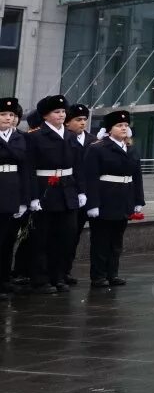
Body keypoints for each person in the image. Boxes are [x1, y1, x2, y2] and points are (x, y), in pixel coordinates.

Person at [25, 94, 85, 291]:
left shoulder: (70, 136)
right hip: (45, 190)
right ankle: (40, 279)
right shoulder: (35, 137)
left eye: (63, 111)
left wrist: (81, 191)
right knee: (42, 238)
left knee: (65, 236)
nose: (61, 115)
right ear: (45, 116)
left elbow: (78, 166)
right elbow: (29, 169)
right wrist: (33, 196)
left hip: (67, 190)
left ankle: (58, 276)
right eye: (56, 112)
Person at [83, 110, 144, 288]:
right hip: (105, 198)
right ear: (109, 129)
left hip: (124, 198)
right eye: (119, 125)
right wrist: (92, 204)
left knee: (116, 240)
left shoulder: (131, 149)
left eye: (126, 125)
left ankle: (112, 273)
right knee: (101, 240)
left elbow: (137, 176)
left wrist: (138, 200)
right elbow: (91, 177)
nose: (124, 128)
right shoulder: (97, 148)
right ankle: (98, 275)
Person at [0, 96, 28, 296]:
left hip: (12, 190)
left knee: (8, 239)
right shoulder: (17, 139)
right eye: (3, 114)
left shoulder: (19, 137)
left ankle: (3, 279)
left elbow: (24, 167)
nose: (8, 118)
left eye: (12, 115)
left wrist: (24, 200)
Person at [62, 103, 91, 283]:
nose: (82, 123)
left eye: (84, 120)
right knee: (63, 234)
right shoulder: (64, 139)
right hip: (66, 192)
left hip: (84, 195)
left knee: (75, 235)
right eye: (78, 120)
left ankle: (66, 270)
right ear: (67, 122)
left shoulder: (93, 140)